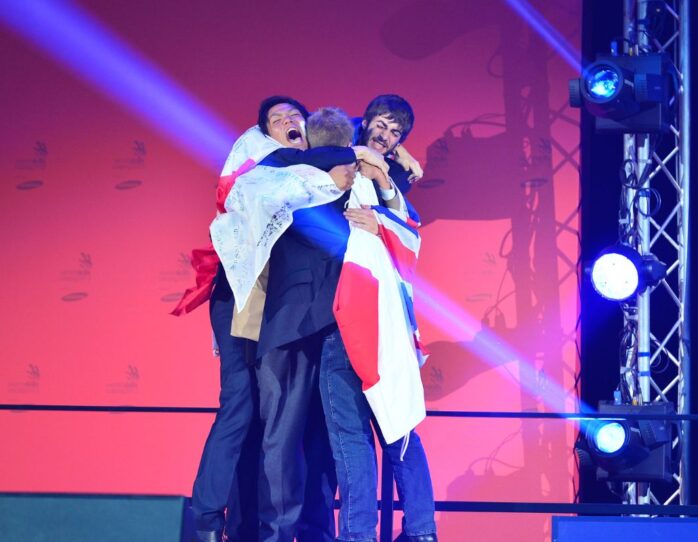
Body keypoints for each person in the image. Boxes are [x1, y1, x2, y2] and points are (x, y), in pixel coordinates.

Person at [193, 96, 387, 542]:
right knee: (249, 418)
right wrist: (350, 153)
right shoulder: (267, 169)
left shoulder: (333, 177)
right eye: (279, 120)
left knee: (316, 435)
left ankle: (309, 529)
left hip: (330, 325)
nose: (289, 123)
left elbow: (379, 185)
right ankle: (220, 522)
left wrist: (375, 165)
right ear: (266, 131)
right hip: (271, 320)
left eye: (295, 117)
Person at [306, 103, 438, 542]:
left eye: (395, 133)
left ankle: (416, 531)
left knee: (392, 429)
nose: (385, 135)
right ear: (364, 124)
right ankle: (378, 532)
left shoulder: (390, 185)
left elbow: (410, 233)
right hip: (341, 320)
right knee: (355, 440)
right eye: (380, 125)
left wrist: (385, 180)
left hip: (380, 324)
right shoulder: (330, 162)